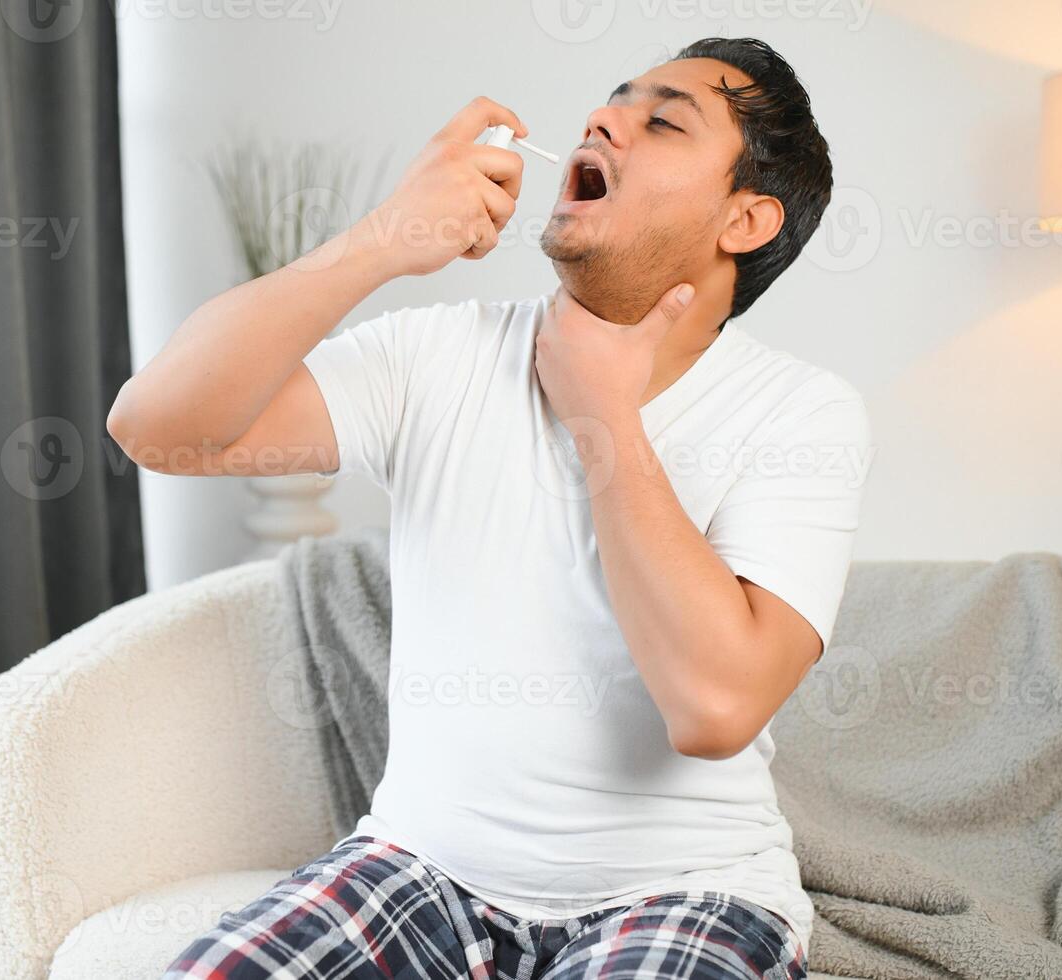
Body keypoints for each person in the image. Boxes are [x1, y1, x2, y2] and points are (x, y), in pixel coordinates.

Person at [109, 35, 872, 980]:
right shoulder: (441, 356)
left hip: (685, 892)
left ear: (746, 220)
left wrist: (600, 414)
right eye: (612, 101)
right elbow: (157, 427)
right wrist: (379, 242)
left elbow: (714, 708)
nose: (602, 119)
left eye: (664, 120)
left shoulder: (801, 411)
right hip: (418, 872)